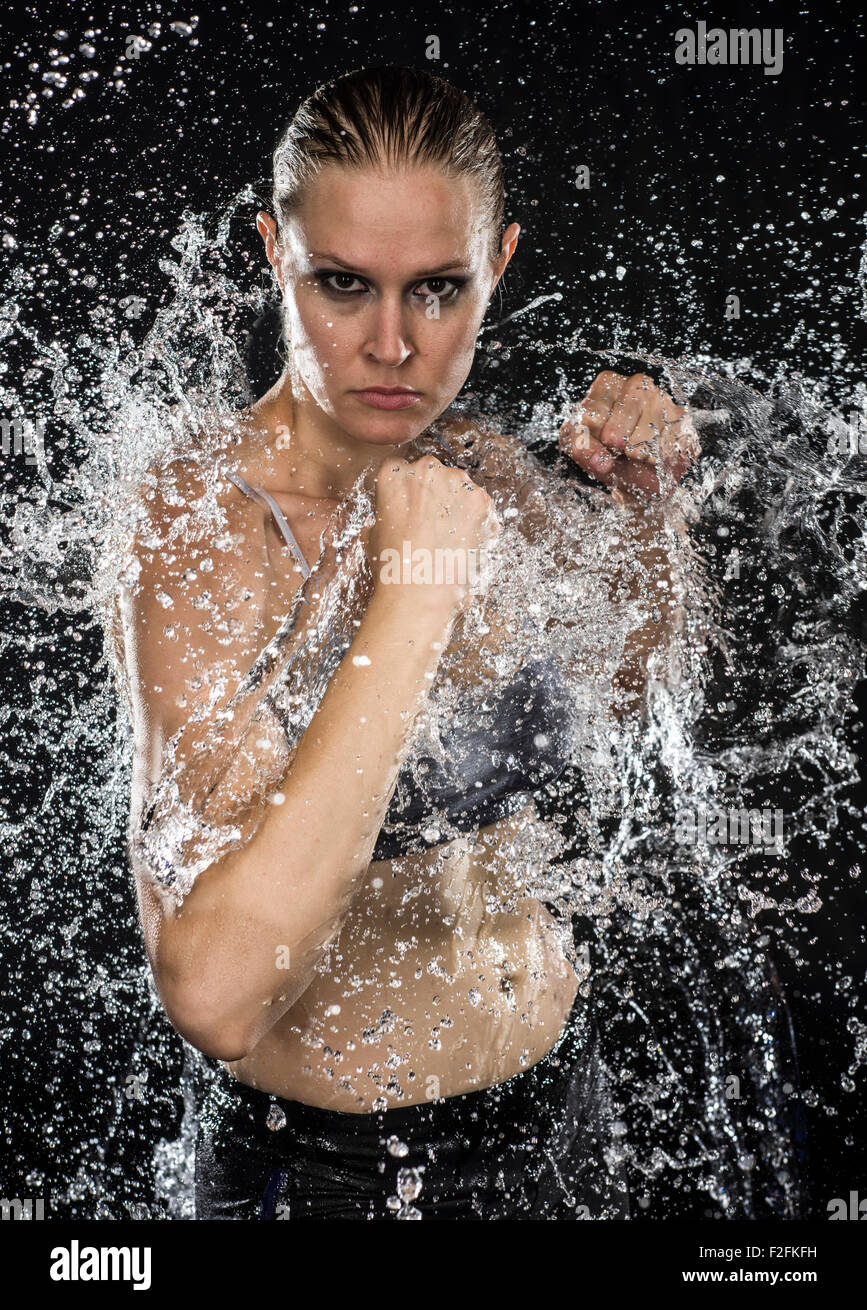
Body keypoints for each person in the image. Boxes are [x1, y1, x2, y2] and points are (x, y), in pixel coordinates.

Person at [114, 65, 701, 1220]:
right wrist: (413, 597)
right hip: (333, 1176)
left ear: (501, 266)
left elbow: (638, 699)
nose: (393, 344)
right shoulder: (201, 531)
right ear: (275, 255)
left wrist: (648, 520)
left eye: (440, 289)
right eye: (343, 284)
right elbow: (217, 990)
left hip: (560, 1121)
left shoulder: (478, 472)